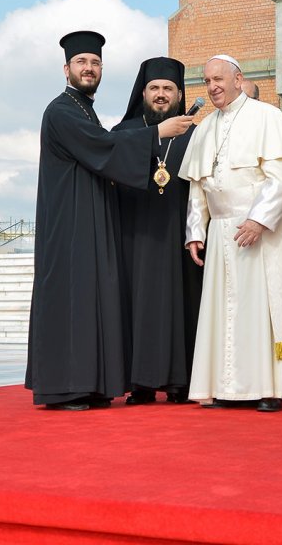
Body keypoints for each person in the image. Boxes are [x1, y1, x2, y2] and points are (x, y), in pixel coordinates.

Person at [28, 31, 194, 411]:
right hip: (69, 225)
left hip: (88, 218)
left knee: (88, 301)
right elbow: (101, 147)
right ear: (66, 68)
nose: (89, 68)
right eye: (82, 63)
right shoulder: (61, 110)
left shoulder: (83, 108)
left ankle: (90, 384)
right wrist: (156, 134)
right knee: (73, 300)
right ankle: (64, 387)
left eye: (95, 62)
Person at [180, 55, 282, 412]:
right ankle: (225, 387)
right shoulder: (204, 129)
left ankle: (267, 389)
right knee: (224, 312)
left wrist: (258, 220)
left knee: (261, 311)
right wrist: (194, 232)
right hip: (221, 234)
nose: (213, 86)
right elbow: (197, 189)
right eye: (207, 81)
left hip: (261, 232)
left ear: (238, 79)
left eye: (218, 79)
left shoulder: (267, 117)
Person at [113, 56, 202, 404]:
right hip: (135, 236)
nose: (161, 95)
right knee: (139, 309)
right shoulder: (123, 133)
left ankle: (182, 383)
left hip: (180, 237)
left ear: (180, 95)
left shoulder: (197, 134)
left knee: (185, 307)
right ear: (143, 92)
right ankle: (142, 384)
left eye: (168, 89)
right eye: (154, 89)